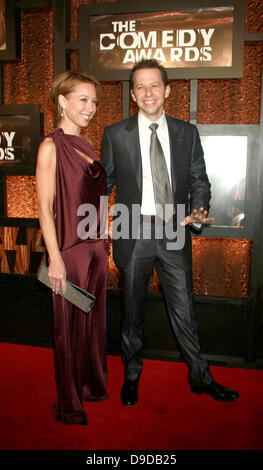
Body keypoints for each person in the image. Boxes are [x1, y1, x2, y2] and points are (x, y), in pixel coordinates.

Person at [101, 59, 240, 406]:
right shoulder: (115, 134)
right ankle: (132, 375)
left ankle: (200, 377)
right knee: (131, 311)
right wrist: (94, 217)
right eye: (141, 87)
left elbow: (199, 181)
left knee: (184, 309)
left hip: (175, 232)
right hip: (134, 231)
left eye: (155, 85)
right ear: (133, 94)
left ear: (167, 90)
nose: (148, 93)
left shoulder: (186, 132)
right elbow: (103, 183)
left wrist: (198, 210)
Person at [36, 71, 109, 425]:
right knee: (69, 328)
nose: (91, 107)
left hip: (96, 250)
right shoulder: (52, 146)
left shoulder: (88, 146)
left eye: (94, 101)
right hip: (71, 254)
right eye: (83, 99)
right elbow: (45, 208)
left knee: (91, 323)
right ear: (62, 101)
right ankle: (70, 404)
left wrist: (106, 236)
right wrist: (55, 259)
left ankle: (89, 385)